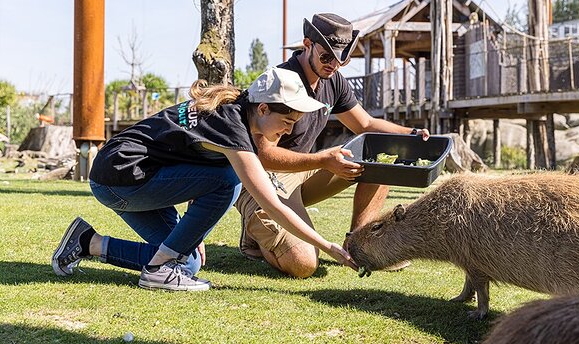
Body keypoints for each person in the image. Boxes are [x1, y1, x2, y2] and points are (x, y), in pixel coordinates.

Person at [51, 67, 356, 291]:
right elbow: (272, 205)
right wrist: (327, 246)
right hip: (119, 178)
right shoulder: (233, 128)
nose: (288, 131)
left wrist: (190, 230)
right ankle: (157, 270)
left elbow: (189, 159)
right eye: (286, 121)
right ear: (263, 108)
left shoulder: (235, 107)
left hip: (138, 175)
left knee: (187, 264)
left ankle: (88, 242)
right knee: (230, 180)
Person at [236, 13, 429, 278]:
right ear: (307, 44)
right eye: (326, 57)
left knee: (377, 166)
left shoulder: (333, 80)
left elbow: (366, 124)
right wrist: (324, 160)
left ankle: (360, 247)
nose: (333, 65)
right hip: (261, 179)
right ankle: (255, 234)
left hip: (300, 173)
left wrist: (412, 133)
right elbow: (264, 155)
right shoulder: (281, 82)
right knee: (303, 265)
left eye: (342, 60)